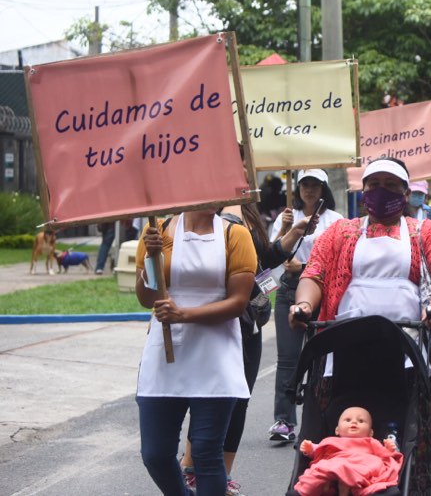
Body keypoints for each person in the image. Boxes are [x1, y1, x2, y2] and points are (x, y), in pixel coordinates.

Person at [290, 157, 431, 494]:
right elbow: (315, 274)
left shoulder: (425, 231)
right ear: (363, 190)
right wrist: (305, 304)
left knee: (407, 433)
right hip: (343, 345)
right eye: (374, 185)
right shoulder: (342, 231)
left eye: (391, 185)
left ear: (406, 191)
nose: (381, 192)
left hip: (408, 345)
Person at [179, 202, 316, 495]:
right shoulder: (210, 209)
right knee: (211, 396)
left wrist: (294, 233)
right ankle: (191, 468)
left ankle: (220, 474)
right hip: (220, 318)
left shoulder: (248, 208)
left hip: (248, 322)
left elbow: (264, 259)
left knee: (238, 399)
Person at [134, 209, 257, 494]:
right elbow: (146, 297)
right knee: (155, 454)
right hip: (165, 353)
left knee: (206, 452)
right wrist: (151, 257)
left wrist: (184, 314)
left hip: (215, 353)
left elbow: (238, 302)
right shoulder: (158, 230)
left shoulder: (234, 234)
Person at [268, 169, 344, 442]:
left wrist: (308, 267)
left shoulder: (336, 221)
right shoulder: (286, 217)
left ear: (324, 189)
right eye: (304, 185)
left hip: (323, 292)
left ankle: (320, 419)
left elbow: (341, 258)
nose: (309, 190)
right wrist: (286, 229)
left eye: (315, 185)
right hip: (289, 290)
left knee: (321, 357)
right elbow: (271, 254)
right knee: (287, 358)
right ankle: (284, 420)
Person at [293, 407, 403, 496]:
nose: (354, 422)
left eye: (361, 421)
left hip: (361, 466)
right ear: (337, 430)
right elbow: (319, 451)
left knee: (376, 464)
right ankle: (312, 489)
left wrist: (389, 449)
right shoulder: (331, 441)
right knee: (322, 467)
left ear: (370, 433)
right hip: (337, 465)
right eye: (348, 420)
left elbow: (384, 456)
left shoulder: (371, 442)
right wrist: (310, 449)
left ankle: (356, 489)